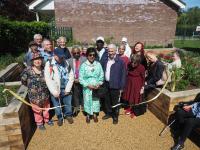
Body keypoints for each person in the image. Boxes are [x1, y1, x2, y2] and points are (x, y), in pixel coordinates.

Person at [21, 52, 53, 130]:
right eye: (35, 59)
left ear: (42, 60)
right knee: (37, 110)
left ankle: (47, 119)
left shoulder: (44, 69)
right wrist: (31, 88)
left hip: (44, 94)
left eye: (39, 59)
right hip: (34, 96)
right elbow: (23, 81)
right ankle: (39, 123)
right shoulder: (27, 70)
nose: (37, 61)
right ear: (32, 61)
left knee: (46, 108)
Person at [44, 48, 74, 126]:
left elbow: (71, 75)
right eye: (59, 57)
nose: (61, 58)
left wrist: (68, 89)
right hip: (55, 87)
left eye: (62, 57)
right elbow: (48, 79)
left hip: (66, 85)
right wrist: (54, 92)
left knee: (68, 103)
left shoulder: (66, 62)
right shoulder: (49, 63)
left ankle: (68, 115)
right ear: (55, 55)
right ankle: (60, 117)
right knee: (57, 105)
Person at [101, 44, 126, 124]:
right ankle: (108, 113)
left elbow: (123, 75)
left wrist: (121, 87)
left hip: (115, 85)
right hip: (106, 84)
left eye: (112, 51)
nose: (110, 52)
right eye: (109, 51)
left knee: (115, 102)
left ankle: (115, 116)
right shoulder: (105, 60)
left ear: (115, 51)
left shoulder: (120, 62)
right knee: (107, 100)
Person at [79, 47, 104, 123]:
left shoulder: (98, 64)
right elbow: (81, 78)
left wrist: (99, 84)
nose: (92, 56)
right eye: (90, 55)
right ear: (87, 56)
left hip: (96, 87)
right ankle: (88, 115)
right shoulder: (83, 65)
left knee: (95, 101)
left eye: (93, 55)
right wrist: (87, 85)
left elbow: (101, 75)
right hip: (87, 88)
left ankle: (95, 114)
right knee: (87, 101)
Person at [67, 46, 86, 116]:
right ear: (72, 53)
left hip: (82, 80)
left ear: (80, 52)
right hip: (73, 81)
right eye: (74, 53)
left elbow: (86, 71)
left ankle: (84, 108)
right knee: (75, 95)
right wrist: (73, 79)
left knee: (83, 95)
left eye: (78, 53)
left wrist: (80, 79)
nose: (76, 54)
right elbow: (68, 72)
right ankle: (77, 108)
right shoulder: (68, 61)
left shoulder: (84, 59)